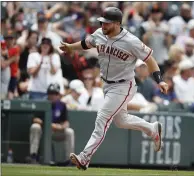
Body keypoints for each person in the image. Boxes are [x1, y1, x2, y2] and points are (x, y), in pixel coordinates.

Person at [59, 7, 168, 170]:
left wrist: (159, 80)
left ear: (117, 23)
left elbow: (150, 59)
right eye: (102, 22)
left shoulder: (131, 41)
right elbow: (86, 44)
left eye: (107, 23)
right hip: (108, 85)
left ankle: (84, 157)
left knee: (102, 117)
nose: (103, 26)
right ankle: (152, 129)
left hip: (124, 85)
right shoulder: (99, 34)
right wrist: (70, 47)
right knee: (121, 121)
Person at [29, 83, 75, 164]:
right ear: (47, 94)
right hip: (43, 131)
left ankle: (69, 160)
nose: (53, 96)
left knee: (69, 132)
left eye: (55, 93)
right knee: (35, 126)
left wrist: (60, 127)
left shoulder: (62, 105)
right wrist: (48, 125)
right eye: (51, 93)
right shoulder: (42, 103)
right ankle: (33, 156)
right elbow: (35, 119)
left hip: (56, 132)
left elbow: (66, 122)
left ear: (58, 95)